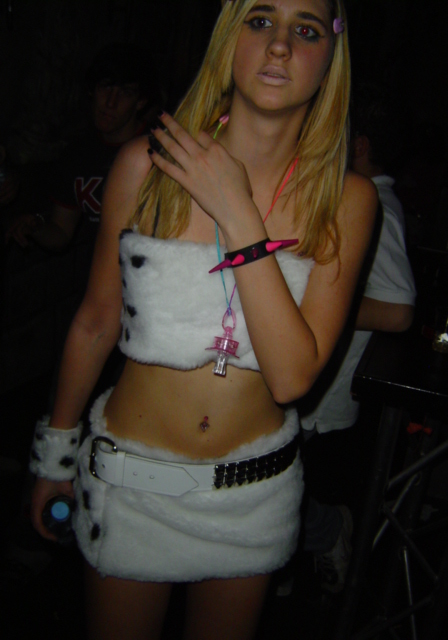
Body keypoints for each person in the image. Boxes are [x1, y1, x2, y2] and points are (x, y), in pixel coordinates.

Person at [29, 2, 377, 639]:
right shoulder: (145, 165)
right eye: (260, 20)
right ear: (228, 37)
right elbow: (96, 320)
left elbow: (292, 378)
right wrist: (55, 455)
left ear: (331, 54)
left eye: (304, 30)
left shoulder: (346, 200)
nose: (279, 45)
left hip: (251, 494)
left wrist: (236, 211)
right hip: (132, 485)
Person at [298, 82, 416, 594]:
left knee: (282, 484)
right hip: (314, 375)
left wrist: (318, 306)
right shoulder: (358, 200)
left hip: (323, 385)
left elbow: (399, 311)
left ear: (360, 145)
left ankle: (327, 534)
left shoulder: (377, 207)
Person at [6, 43, 157, 255]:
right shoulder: (78, 152)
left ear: (140, 102)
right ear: (92, 90)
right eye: (106, 87)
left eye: (125, 93)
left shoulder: (160, 150)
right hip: (94, 266)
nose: (111, 102)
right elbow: (61, 231)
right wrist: (35, 228)